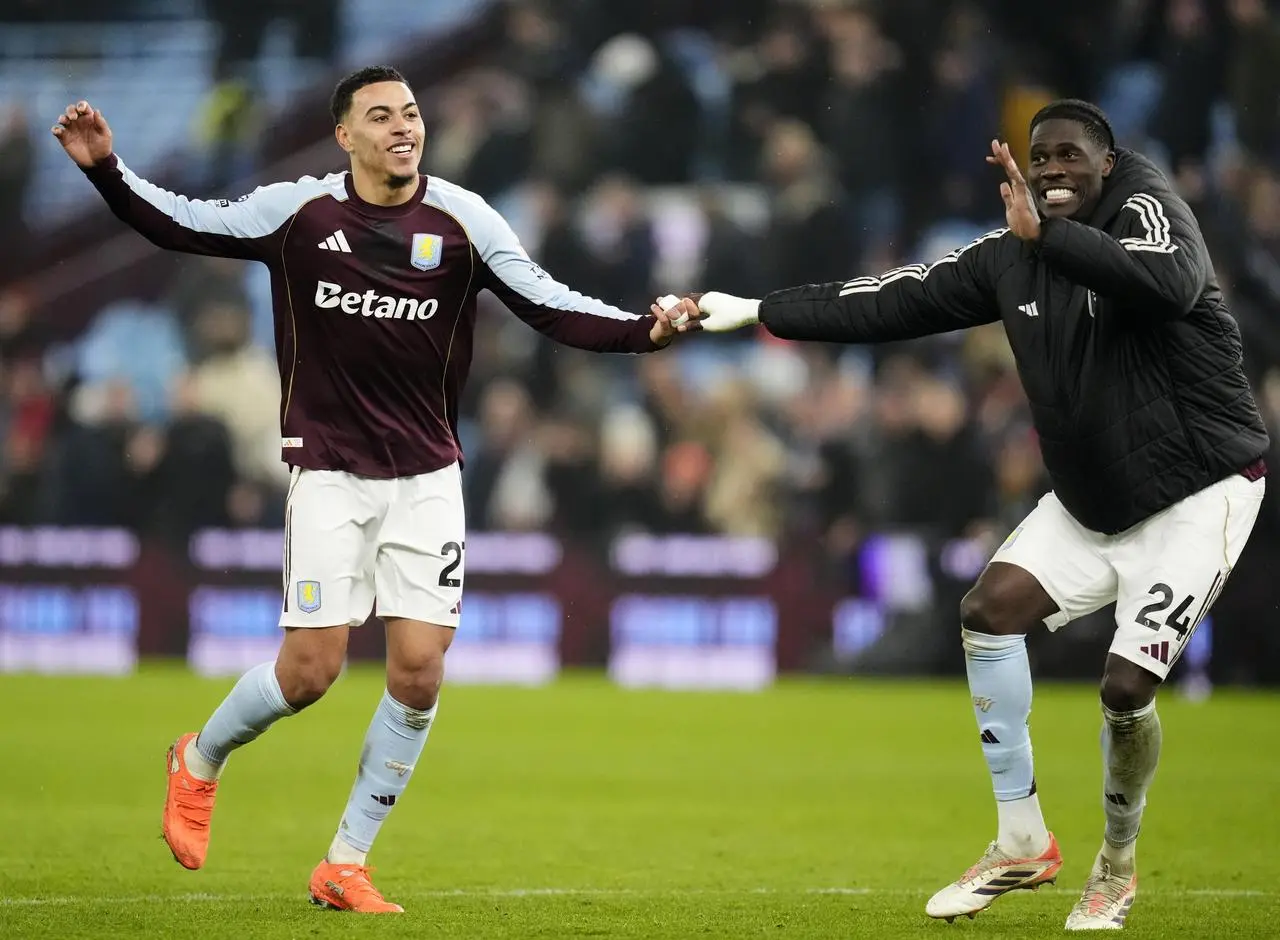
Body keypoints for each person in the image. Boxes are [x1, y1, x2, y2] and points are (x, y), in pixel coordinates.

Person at [52, 65, 701, 914]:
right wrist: (107, 169)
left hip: (428, 477)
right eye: (382, 116)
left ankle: (344, 863)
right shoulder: (299, 213)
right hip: (328, 473)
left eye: (412, 113)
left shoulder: (465, 220)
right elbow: (185, 226)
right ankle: (199, 758)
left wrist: (643, 331)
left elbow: (548, 305)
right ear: (345, 136)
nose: (404, 127)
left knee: (421, 671)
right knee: (309, 674)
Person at [674, 99, 1269, 930]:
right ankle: (1021, 839)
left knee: (1126, 689)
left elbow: (1167, 286)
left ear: (1106, 163)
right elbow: (887, 301)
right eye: (1040, 157)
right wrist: (754, 312)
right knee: (988, 613)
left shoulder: (1151, 209)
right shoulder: (1007, 258)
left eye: (1071, 156)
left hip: (1198, 493)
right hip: (1093, 503)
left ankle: (1118, 861)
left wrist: (1048, 237)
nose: (1054, 169)